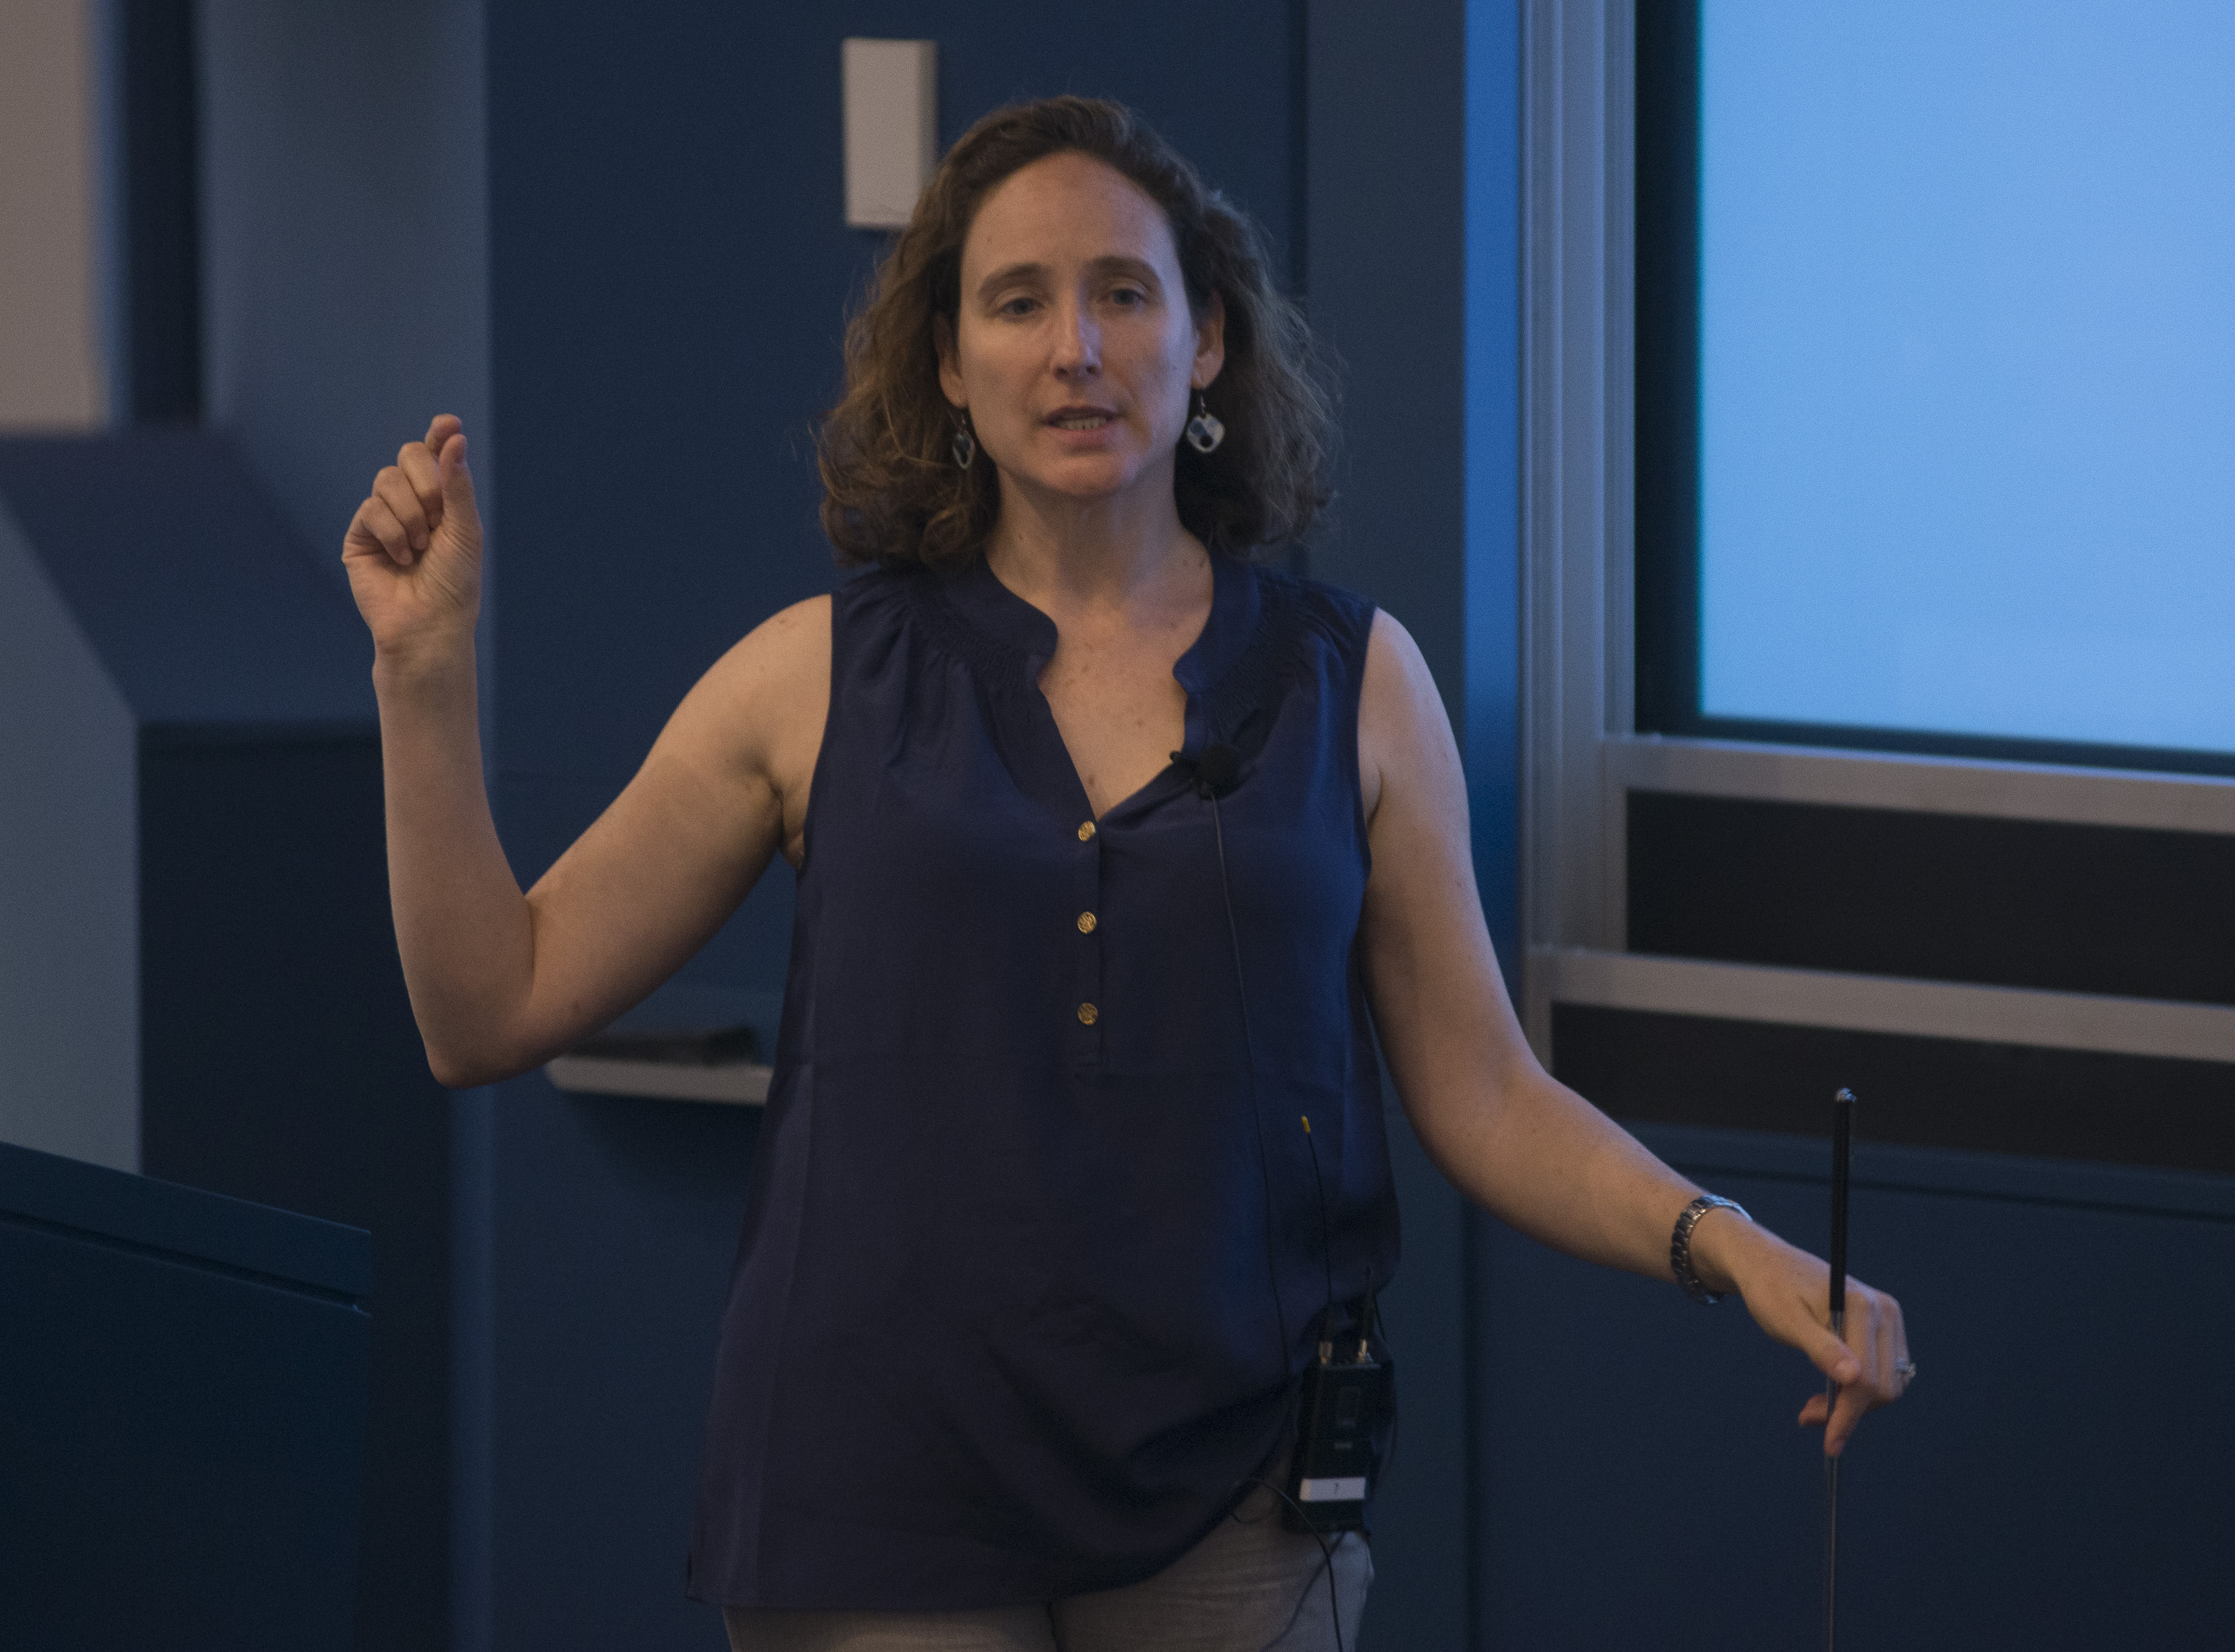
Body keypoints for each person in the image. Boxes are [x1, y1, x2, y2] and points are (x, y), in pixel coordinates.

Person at [343, 97, 1909, 1652]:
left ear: (1206, 339)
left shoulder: (1351, 679)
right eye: (1017, 303)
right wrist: (424, 672)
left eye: (1123, 293)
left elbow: (1487, 1092)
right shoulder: (809, 675)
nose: (1074, 348)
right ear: (951, 365)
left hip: (1237, 1481)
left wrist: (1727, 1240)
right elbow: (491, 1004)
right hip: (881, 1484)